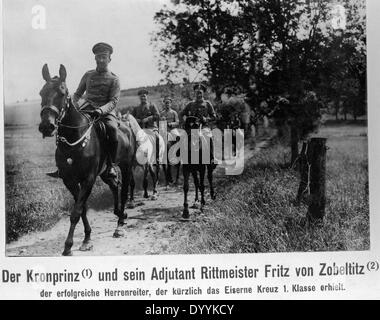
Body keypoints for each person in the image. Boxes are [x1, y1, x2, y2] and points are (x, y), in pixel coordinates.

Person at [48, 42, 120, 179]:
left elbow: (113, 101)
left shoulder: (114, 79)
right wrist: (73, 106)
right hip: (86, 109)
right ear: (95, 59)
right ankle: (62, 166)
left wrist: (101, 110)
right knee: (65, 126)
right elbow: (77, 94)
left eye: (104, 57)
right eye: (99, 57)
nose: (101, 60)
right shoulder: (88, 75)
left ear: (110, 59)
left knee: (113, 130)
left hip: (105, 113)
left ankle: (111, 166)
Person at [181, 84, 217, 162]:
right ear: (195, 93)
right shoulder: (190, 104)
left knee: (208, 137)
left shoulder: (207, 103)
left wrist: (206, 119)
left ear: (203, 93)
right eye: (197, 92)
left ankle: (212, 158)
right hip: (192, 126)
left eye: (200, 92)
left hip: (204, 126)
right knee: (183, 138)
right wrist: (185, 120)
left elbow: (214, 116)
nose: (199, 94)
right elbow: (182, 113)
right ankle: (183, 160)